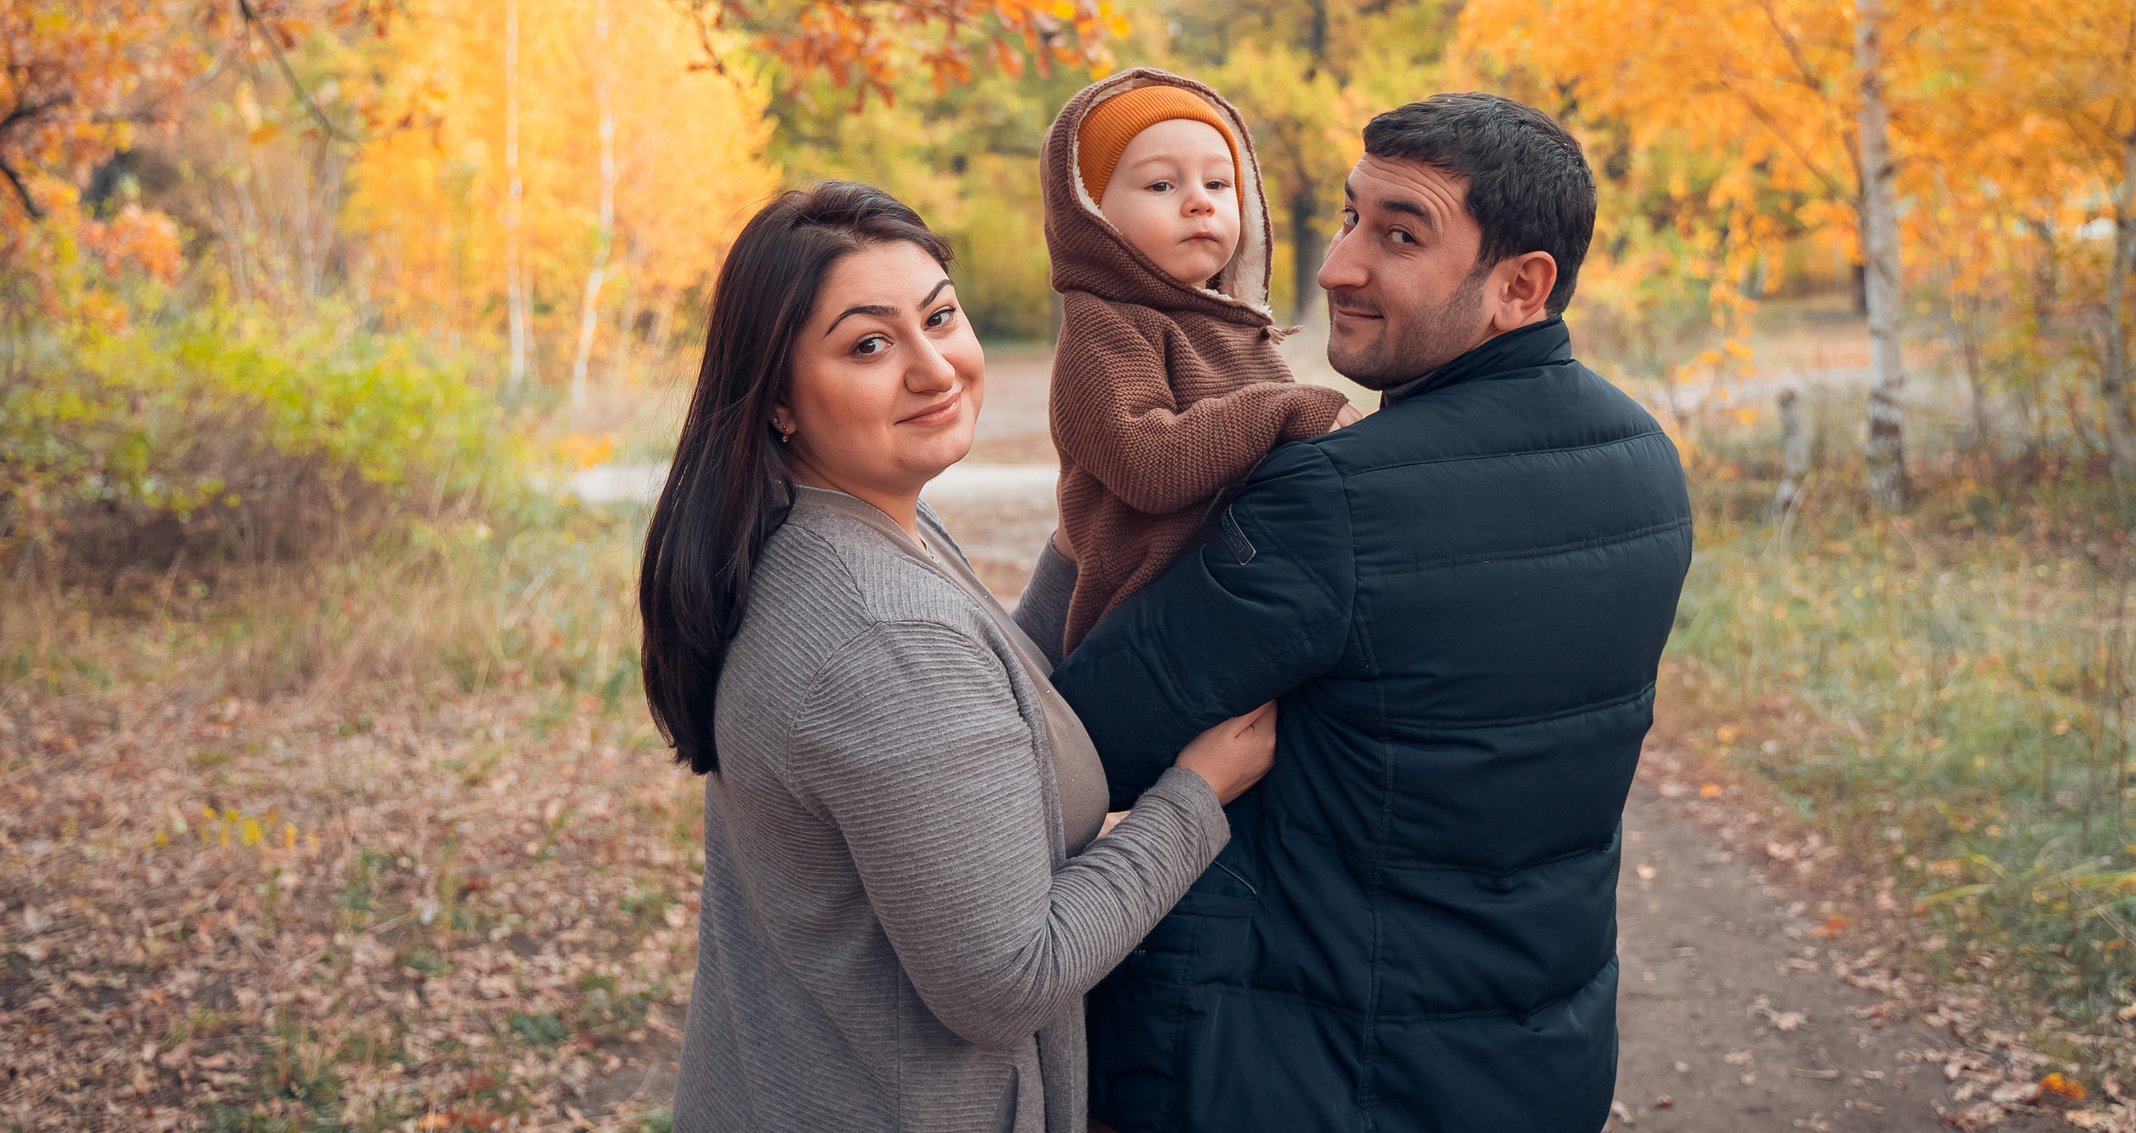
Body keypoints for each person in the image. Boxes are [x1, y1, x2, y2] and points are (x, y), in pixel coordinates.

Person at [1043, 94, 1695, 1133]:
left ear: (1519, 286)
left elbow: (1081, 749)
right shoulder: (1643, 462)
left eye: (1398, 235)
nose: (1339, 265)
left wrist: (1094, 532)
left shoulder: (1339, 500)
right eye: (1349, 218)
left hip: (1302, 1066)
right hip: (1539, 1057)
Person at [638, 181, 1279, 1133]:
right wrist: (1195, 795)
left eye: (940, 315)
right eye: (869, 343)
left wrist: (1088, 534)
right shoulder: (882, 634)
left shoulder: (839, 527)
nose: (935, 368)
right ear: (778, 399)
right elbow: (1008, 979)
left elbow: (986, 702)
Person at [1020, 68, 1354, 658]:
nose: (1200, 201)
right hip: (1151, 628)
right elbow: (1149, 464)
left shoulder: (1234, 325)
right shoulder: (1106, 324)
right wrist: (1294, 408)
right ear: (1092, 214)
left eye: (1220, 184)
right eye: (1160, 186)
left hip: (1239, 599)